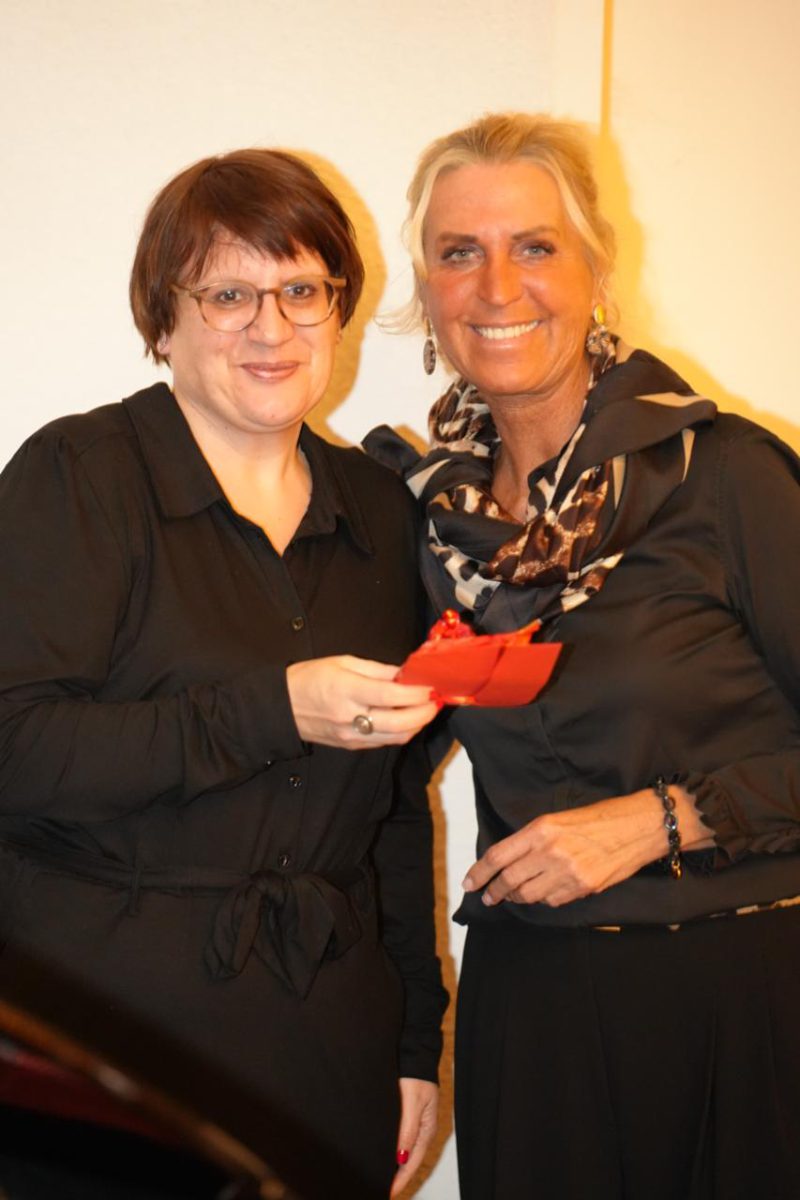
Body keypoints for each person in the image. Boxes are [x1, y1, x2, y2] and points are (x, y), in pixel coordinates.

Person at [367, 112, 800, 1199]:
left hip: (745, 1004)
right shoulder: (424, 522)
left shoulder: (723, 475)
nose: (496, 286)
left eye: (534, 246)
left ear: (596, 272)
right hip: (535, 1018)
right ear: (427, 295)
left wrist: (661, 819)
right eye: (458, 252)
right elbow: (377, 795)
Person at [0, 149, 447, 1199]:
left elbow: (391, 807)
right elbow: (14, 750)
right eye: (228, 295)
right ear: (163, 321)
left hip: (329, 1040)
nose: (270, 327)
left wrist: (414, 1041)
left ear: (338, 308)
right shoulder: (79, 477)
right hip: (107, 1052)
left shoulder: (381, 512)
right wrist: (271, 711)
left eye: (301, 290)